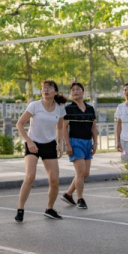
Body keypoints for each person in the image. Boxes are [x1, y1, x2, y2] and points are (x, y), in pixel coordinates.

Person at [15, 80, 67, 223]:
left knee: (55, 181)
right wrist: (29, 141)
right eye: (44, 88)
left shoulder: (60, 108)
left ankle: (49, 209)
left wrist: (59, 144)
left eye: (49, 88)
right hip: (33, 143)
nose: (46, 90)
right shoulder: (34, 106)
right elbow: (19, 124)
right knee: (30, 176)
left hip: (49, 144)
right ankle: (20, 209)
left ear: (55, 92)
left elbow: (60, 127)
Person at [60, 82, 97, 210]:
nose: (75, 91)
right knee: (80, 172)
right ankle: (80, 199)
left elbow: (94, 127)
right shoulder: (68, 109)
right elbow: (64, 128)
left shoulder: (90, 109)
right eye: (73, 90)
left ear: (83, 92)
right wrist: (67, 144)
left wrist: (95, 143)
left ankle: (68, 194)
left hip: (87, 142)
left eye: (78, 89)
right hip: (75, 142)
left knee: (85, 173)